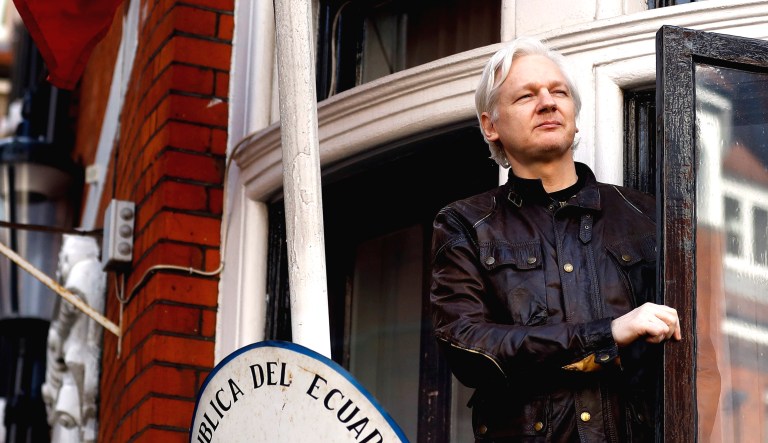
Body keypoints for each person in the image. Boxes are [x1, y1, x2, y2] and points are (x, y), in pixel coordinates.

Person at [430, 37, 681, 442]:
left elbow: (700, 355)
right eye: (526, 96)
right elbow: (468, 346)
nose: (548, 102)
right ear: (490, 126)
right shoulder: (466, 223)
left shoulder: (649, 217)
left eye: (558, 92)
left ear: (575, 116)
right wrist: (607, 334)